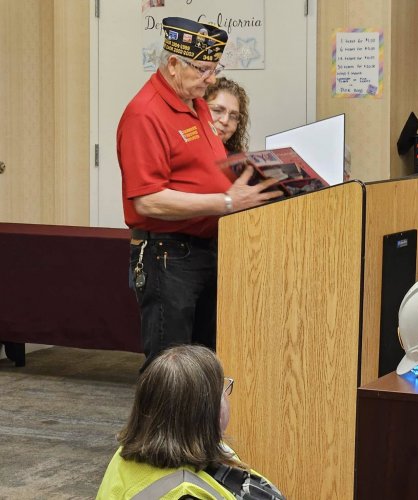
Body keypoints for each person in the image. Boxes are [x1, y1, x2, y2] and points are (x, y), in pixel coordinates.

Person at [117, 17, 281, 371]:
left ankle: (196, 429)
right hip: (167, 257)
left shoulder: (196, 104)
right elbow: (148, 200)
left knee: (203, 366)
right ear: (173, 65)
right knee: (170, 370)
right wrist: (226, 202)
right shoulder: (145, 114)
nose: (210, 79)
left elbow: (203, 171)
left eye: (214, 69)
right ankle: (158, 430)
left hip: (205, 253)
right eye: (203, 70)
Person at [96, 345, 286, 499]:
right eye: (222, 389)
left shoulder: (128, 453)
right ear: (208, 412)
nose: (227, 396)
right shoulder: (185, 493)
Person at [204, 77, 250, 154]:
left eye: (233, 116)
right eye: (217, 110)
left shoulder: (237, 159)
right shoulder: (182, 152)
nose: (225, 121)